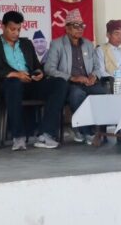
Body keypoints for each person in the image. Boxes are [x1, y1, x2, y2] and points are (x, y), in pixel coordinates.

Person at [0, 11, 68, 151]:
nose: (16, 33)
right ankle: (18, 136)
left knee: (60, 83)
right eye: (12, 29)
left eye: (18, 29)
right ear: (3, 26)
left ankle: (45, 133)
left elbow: (37, 66)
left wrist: (39, 72)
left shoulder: (26, 43)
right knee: (14, 84)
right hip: (8, 85)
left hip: (30, 82)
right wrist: (13, 74)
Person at [45, 9, 108, 145]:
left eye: (82, 26)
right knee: (77, 95)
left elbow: (97, 67)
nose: (80, 29)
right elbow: (49, 68)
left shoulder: (88, 44)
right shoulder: (57, 44)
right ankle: (86, 132)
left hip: (89, 83)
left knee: (104, 93)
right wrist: (72, 78)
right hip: (70, 84)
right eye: (76, 26)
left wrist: (94, 76)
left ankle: (102, 133)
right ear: (67, 28)